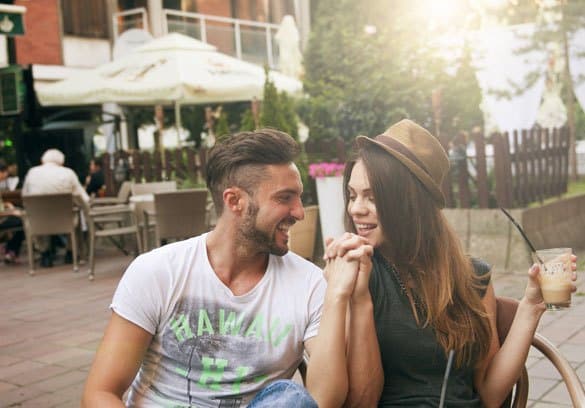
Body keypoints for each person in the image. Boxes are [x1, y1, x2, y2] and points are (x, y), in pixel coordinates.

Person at [81, 129, 353, 408]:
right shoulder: (158, 272)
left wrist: (338, 295)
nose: (299, 212)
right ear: (235, 201)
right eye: (285, 198)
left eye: (299, 197)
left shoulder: (309, 284)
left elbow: (325, 400)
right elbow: (100, 393)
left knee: (291, 399)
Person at [323, 119, 578, 407]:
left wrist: (531, 306)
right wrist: (357, 297)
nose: (356, 209)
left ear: (411, 202)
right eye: (353, 195)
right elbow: (362, 402)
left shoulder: (474, 276)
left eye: (372, 197)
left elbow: (491, 395)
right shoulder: (358, 275)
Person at [22, 148, 89, 267]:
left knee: (35, 216)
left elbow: (25, 197)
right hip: (65, 220)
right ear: (61, 162)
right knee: (76, 216)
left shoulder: (32, 173)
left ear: (43, 161)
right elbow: (83, 198)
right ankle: (71, 252)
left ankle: (45, 253)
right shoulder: (68, 173)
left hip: (38, 222)